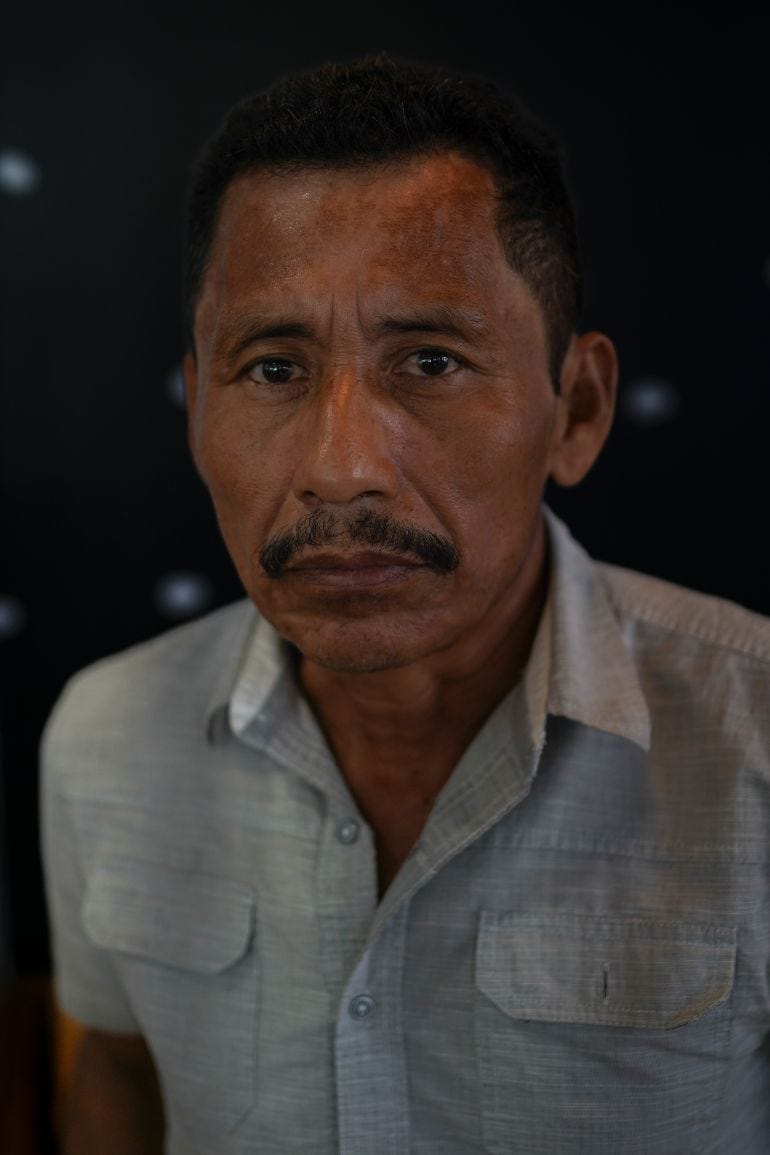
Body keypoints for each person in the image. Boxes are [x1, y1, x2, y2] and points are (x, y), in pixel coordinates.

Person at [41, 54, 769, 1155]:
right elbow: (118, 1071)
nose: (340, 469)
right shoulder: (101, 736)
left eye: (428, 360)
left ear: (573, 409)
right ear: (197, 412)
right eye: (273, 370)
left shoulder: (751, 744)